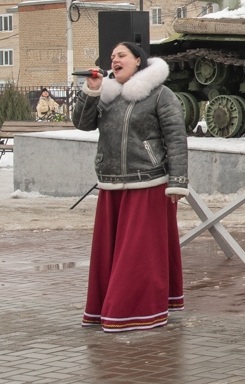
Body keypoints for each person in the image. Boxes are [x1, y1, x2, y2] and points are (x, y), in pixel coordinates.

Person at [73, 42, 188, 332]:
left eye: (121, 55)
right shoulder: (107, 95)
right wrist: (92, 91)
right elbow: (81, 123)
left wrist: (177, 182)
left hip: (148, 183)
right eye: (112, 57)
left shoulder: (161, 94)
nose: (114, 60)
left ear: (138, 60)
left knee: (137, 255)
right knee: (110, 254)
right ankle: (108, 310)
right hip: (111, 184)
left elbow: (176, 139)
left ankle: (133, 312)